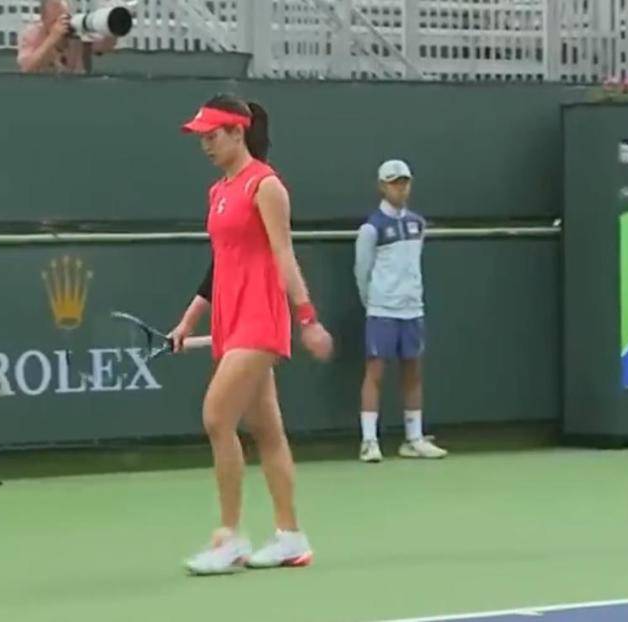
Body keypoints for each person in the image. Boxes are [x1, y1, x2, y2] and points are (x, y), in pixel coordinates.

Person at [172, 94, 335, 575]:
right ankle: (291, 536)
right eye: (201, 137)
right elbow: (220, 263)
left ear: (237, 132)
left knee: (216, 416)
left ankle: (230, 537)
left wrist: (307, 318)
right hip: (229, 317)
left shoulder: (266, 186)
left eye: (212, 135)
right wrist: (189, 320)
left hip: (260, 317)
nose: (205, 145)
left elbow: (284, 255)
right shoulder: (218, 191)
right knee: (266, 429)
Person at [354, 159, 448, 463]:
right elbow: (362, 271)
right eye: (394, 183)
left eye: (404, 182)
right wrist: (373, 302)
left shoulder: (418, 224)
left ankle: (414, 439)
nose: (400, 188)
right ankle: (369, 441)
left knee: (413, 372)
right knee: (375, 372)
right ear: (382, 186)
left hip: (413, 310)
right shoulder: (371, 228)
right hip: (382, 310)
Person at [17, 0, 118, 75]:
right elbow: (27, 69)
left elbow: (104, 46)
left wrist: (111, 25)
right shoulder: (32, 34)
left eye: (64, 18)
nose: (61, 24)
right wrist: (53, 38)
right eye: (55, 20)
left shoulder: (75, 28)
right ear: (43, 18)